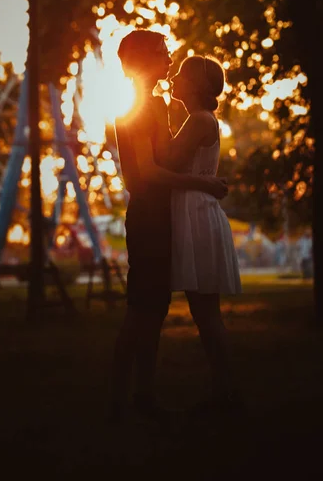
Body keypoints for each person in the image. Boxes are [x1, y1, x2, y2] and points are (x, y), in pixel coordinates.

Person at [109, 31, 228, 424]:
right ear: (143, 62)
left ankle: (137, 396)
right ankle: (128, 398)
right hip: (149, 219)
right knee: (143, 309)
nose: (170, 57)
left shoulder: (155, 105)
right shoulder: (142, 108)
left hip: (161, 217)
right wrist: (203, 182)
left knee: (150, 309)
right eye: (162, 52)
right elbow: (146, 173)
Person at [160, 55, 242, 415]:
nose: (173, 79)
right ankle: (223, 389)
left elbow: (167, 162)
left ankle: (225, 393)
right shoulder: (200, 120)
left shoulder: (197, 121)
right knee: (206, 313)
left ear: (196, 85)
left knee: (207, 315)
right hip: (196, 211)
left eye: (180, 75)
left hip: (196, 214)